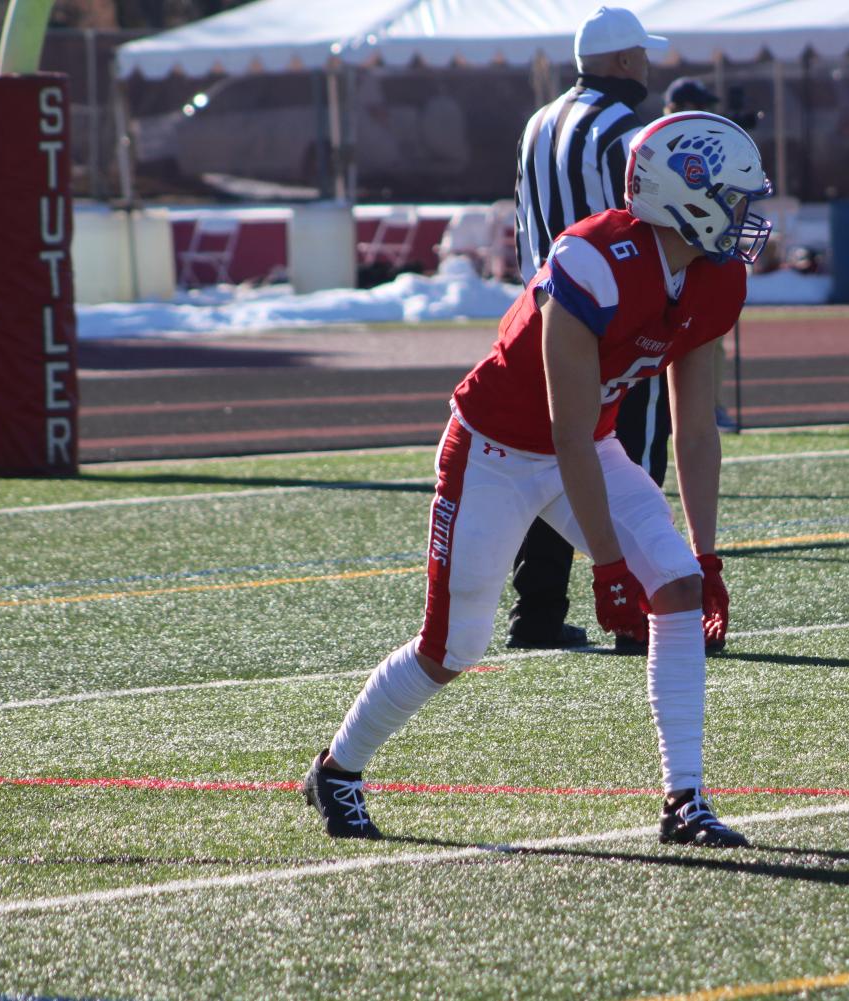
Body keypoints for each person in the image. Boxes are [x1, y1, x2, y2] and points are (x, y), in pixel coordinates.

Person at [302, 111, 774, 848]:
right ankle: (337, 768)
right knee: (451, 647)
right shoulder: (592, 260)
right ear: (688, 196)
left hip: (583, 447)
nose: (749, 217)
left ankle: (685, 801)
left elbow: (696, 424)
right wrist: (610, 567)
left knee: (678, 585)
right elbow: (561, 425)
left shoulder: (715, 280)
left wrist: (706, 552)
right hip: (493, 452)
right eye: (737, 197)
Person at [507, 5, 669, 652]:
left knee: (553, 459)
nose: (648, 67)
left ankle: (536, 614)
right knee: (632, 462)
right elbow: (650, 219)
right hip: (617, 318)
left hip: (545, 312)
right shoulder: (625, 128)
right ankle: (636, 608)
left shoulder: (536, 122)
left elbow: (522, 223)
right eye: (643, 57)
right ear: (626, 61)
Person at [663, 76, 739, 434]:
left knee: (711, 335)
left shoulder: (709, 142)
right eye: (701, 105)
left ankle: (710, 406)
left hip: (705, 250)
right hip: (673, 250)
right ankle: (676, 409)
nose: (709, 113)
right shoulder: (663, 145)